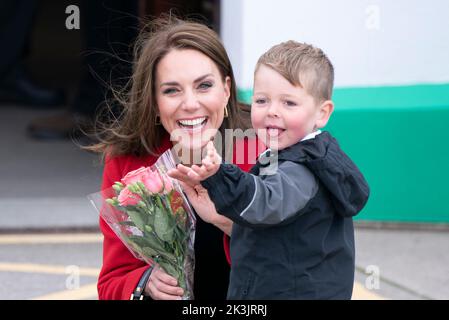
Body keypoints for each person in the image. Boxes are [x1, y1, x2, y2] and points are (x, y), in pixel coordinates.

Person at [169, 41, 370, 299]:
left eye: (289, 103)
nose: (273, 112)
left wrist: (221, 175)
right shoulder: (290, 156)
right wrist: (217, 203)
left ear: (322, 113)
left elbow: (266, 201)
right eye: (262, 100)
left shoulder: (303, 168)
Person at [88, 15, 255, 300]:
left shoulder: (261, 148)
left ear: (226, 90)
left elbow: (296, 260)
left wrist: (227, 223)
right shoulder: (126, 161)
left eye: (204, 86)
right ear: (153, 101)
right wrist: (144, 281)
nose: (190, 104)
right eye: (171, 90)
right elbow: (111, 284)